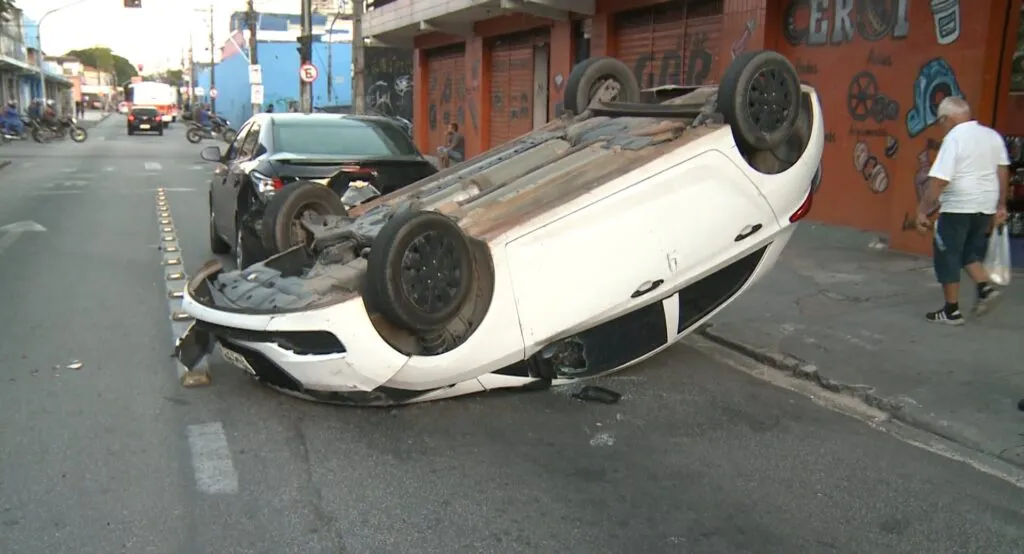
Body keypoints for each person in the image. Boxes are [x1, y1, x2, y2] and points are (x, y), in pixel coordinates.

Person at [915, 96, 1009, 325]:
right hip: (984, 206)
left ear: (947, 118)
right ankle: (985, 288)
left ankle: (951, 311)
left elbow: (938, 180)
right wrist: (1001, 204)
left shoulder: (954, 139)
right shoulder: (991, 136)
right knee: (969, 252)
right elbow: (1003, 170)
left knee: (947, 255)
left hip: (959, 206)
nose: (941, 127)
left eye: (940, 122)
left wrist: (922, 210)